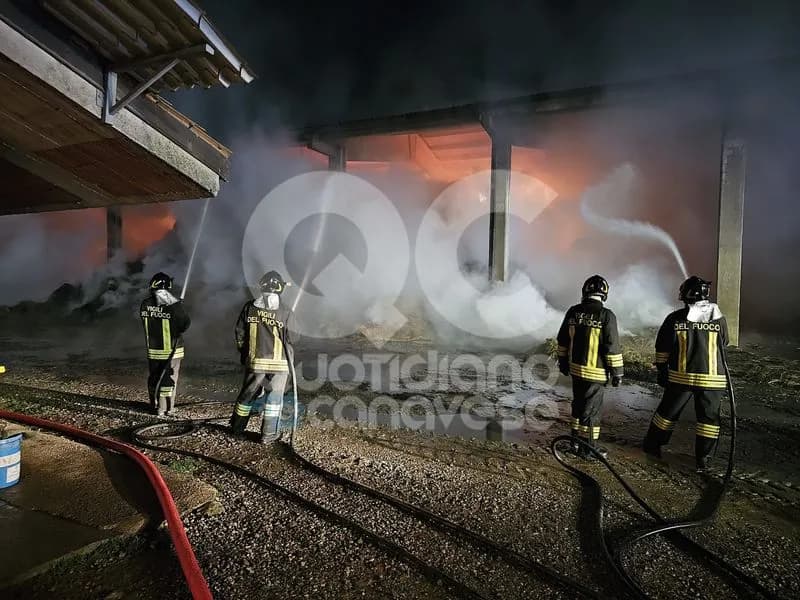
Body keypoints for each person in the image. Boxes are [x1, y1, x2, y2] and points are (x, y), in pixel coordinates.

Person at [643, 276, 729, 472]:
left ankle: (653, 445)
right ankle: (703, 458)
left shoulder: (675, 319)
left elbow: (662, 347)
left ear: (686, 295)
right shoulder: (719, 319)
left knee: (667, 414)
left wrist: (662, 370)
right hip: (713, 380)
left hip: (682, 378)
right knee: (708, 421)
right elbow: (724, 343)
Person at [556, 275, 624, 459]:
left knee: (578, 407)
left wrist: (563, 362)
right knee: (591, 412)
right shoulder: (606, 315)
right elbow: (612, 347)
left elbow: (562, 339)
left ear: (585, 291)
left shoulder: (573, 312)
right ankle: (588, 450)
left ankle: (575, 443)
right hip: (596, 373)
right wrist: (617, 373)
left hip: (576, 370)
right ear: (604, 294)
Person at [230, 270, 293, 443]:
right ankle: (268, 435)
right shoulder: (285, 310)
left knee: (247, 396)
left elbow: (240, 333)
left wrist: (244, 354)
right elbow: (294, 338)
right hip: (279, 365)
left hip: (256, 362)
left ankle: (236, 429)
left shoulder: (250, 307)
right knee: (274, 400)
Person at [140, 272, 190, 416]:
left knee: (155, 377)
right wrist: (178, 307)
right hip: (172, 351)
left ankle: (155, 405)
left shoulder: (145, 304)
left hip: (153, 350)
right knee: (169, 379)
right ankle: (166, 409)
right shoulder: (173, 304)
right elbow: (185, 324)